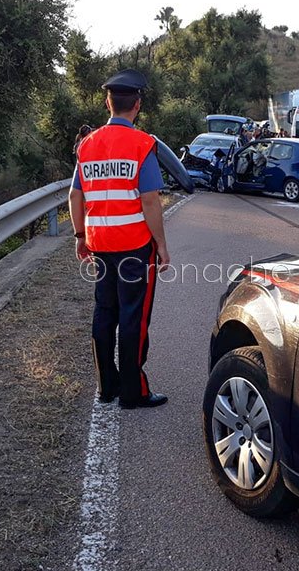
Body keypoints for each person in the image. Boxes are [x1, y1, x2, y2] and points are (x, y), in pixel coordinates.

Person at [69, 68, 169, 409]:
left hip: (99, 244)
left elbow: (74, 196)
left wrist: (80, 234)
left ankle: (106, 387)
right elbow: (150, 200)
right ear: (136, 105)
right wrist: (163, 246)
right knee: (133, 316)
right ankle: (133, 391)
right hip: (135, 247)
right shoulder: (143, 145)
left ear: (106, 103)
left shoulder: (87, 145)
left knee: (104, 312)